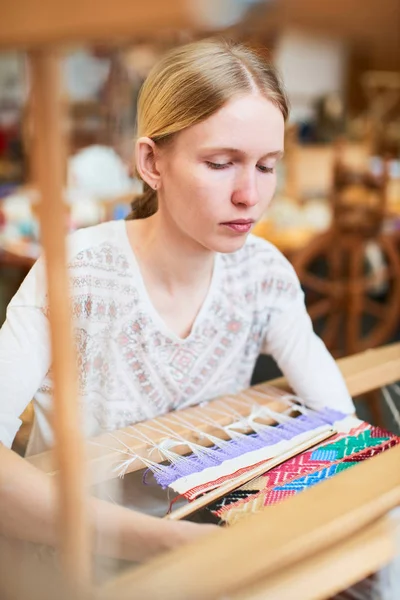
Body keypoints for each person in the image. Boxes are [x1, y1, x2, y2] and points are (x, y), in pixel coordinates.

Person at [0, 38, 355, 563]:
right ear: (151, 162)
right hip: (75, 561)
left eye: (266, 166)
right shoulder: (76, 275)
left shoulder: (262, 275)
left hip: (210, 544)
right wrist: (174, 541)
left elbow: (337, 418)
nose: (249, 196)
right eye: (220, 163)